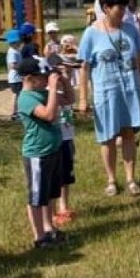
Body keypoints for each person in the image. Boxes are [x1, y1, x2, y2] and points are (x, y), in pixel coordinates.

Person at [77, 0, 140, 197]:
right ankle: (111, 180)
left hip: (129, 91)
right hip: (106, 93)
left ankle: (130, 179)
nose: (124, 11)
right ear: (106, 7)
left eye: (125, 7)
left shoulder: (130, 30)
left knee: (128, 134)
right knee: (108, 137)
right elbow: (84, 67)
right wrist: (83, 98)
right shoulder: (91, 34)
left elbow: (139, 60)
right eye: (119, 7)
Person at [17, 56, 65, 248]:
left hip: (52, 150)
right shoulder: (26, 98)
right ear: (30, 78)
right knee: (37, 197)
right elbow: (49, 115)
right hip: (37, 154)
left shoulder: (42, 92)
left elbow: (69, 99)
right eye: (43, 77)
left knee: (50, 194)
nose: (47, 80)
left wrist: (63, 81)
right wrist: (52, 89)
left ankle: (49, 227)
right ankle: (39, 236)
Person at [50, 54, 77, 228]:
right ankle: (52, 212)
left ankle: (64, 206)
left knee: (67, 175)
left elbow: (71, 99)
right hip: (54, 139)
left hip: (67, 137)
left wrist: (65, 79)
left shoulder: (63, 90)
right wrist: (54, 82)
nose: (64, 70)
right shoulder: (49, 93)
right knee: (54, 175)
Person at [5, 28, 23, 120]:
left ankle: (18, 111)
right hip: (16, 78)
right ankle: (14, 113)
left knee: (18, 94)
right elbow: (12, 65)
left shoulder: (15, 51)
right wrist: (22, 67)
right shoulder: (12, 52)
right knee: (16, 94)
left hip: (17, 77)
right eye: (18, 41)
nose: (20, 43)